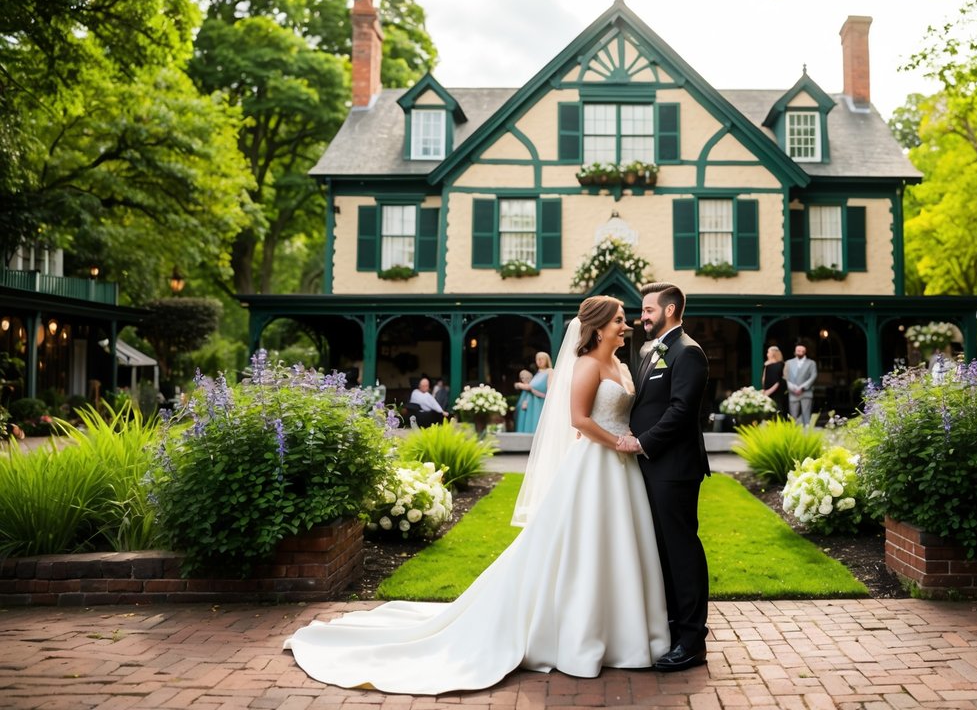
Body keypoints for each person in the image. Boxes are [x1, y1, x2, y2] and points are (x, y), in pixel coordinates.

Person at [284, 295, 668, 694]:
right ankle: (580, 637)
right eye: (621, 320)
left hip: (620, 470)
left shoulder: (621, 365)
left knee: (618, 547)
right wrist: (621, 444)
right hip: (598, 462)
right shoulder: (588, 365)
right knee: (583, 550)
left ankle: (622, 633)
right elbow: (579, 419)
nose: (628, 325)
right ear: (601, 325)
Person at [617, 282, 710, 672]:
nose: (643, 317)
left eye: (649, 310)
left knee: (682, 551)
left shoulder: (688, 353)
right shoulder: (647, 350)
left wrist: (642, 443)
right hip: (651, 467)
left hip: (674, 469)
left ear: (669, 311)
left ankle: (692, 641)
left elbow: (681, 411)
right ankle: (672, 628)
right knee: (661, 553)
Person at [513, 351, 551, 433]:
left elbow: (548, 387)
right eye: (537, 359)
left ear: (547, 360)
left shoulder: (549, 371)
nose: (539, 361)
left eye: (542, 359)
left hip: (540, 401)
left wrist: (520, 385)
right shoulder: (538, 373)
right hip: (532, 402)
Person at [784, 344, 818, 428]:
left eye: (801, 350)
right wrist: (792, 387)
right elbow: (785, 377)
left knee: (806, 416)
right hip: (792, 392)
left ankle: (807, 435)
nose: (799, 352)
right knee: (793, 417)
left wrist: (802, 387)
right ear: (795, 351)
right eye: (798, 350)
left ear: (805, 352)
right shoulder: (788, 363)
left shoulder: (811, 363)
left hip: (806, 392)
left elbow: (813, 376)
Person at [761, 345, 786, 414]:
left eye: (768, 352)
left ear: (773, 353)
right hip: (767, 391)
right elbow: (764, 378)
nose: (767, 354)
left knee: (776, 410)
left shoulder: (779, 365)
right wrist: (764, 389)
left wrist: (768, 392)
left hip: (775, 393)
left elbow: (777, 382)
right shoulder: (767, 364)